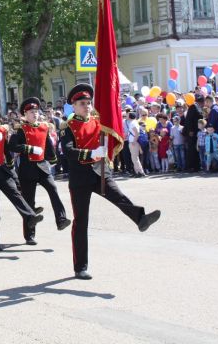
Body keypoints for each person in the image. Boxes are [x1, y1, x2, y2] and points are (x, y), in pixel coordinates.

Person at [60, 84, 161, 280]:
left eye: (89, 103)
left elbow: (110, 130)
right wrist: (90, 153)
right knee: (81, 221)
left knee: (118, 196)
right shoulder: (68, 127)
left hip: (99, 171)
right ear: (74, 106)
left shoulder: (98, 121)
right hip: (80, 177)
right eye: (83, 103)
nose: (87, 106)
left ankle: (140, 219)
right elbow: (68, 151)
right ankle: (80, 266)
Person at [0, 100, 43, 251]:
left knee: (16, 194)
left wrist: (12, 168)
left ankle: (30, 217)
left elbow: (6, 151)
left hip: (3, 170)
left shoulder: (2, 130)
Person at [9, 97, 71, 245]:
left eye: (36, 111)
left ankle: (61, 219)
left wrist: (53, 161)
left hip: (42, 167)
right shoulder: (20, 129)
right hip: (27, 169)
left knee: (53, 189)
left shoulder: (44, 127)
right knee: (29, 201)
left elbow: (48, 145)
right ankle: (29, 235)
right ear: (25, 114)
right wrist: (28, 148)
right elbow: (12, 146)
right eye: (31, 112)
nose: (35, 114)